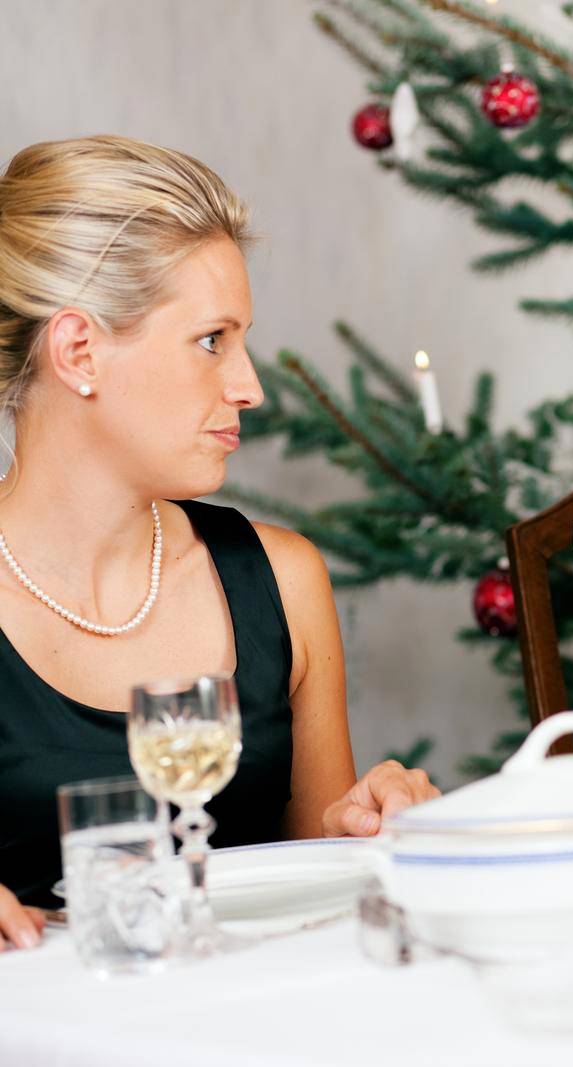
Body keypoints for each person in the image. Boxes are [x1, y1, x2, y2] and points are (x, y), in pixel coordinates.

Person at [0, 136, 438, 951]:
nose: (249, 386)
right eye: (212, 341)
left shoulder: (282, 579)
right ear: (79, 351)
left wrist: (371, 822)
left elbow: (324, 889)